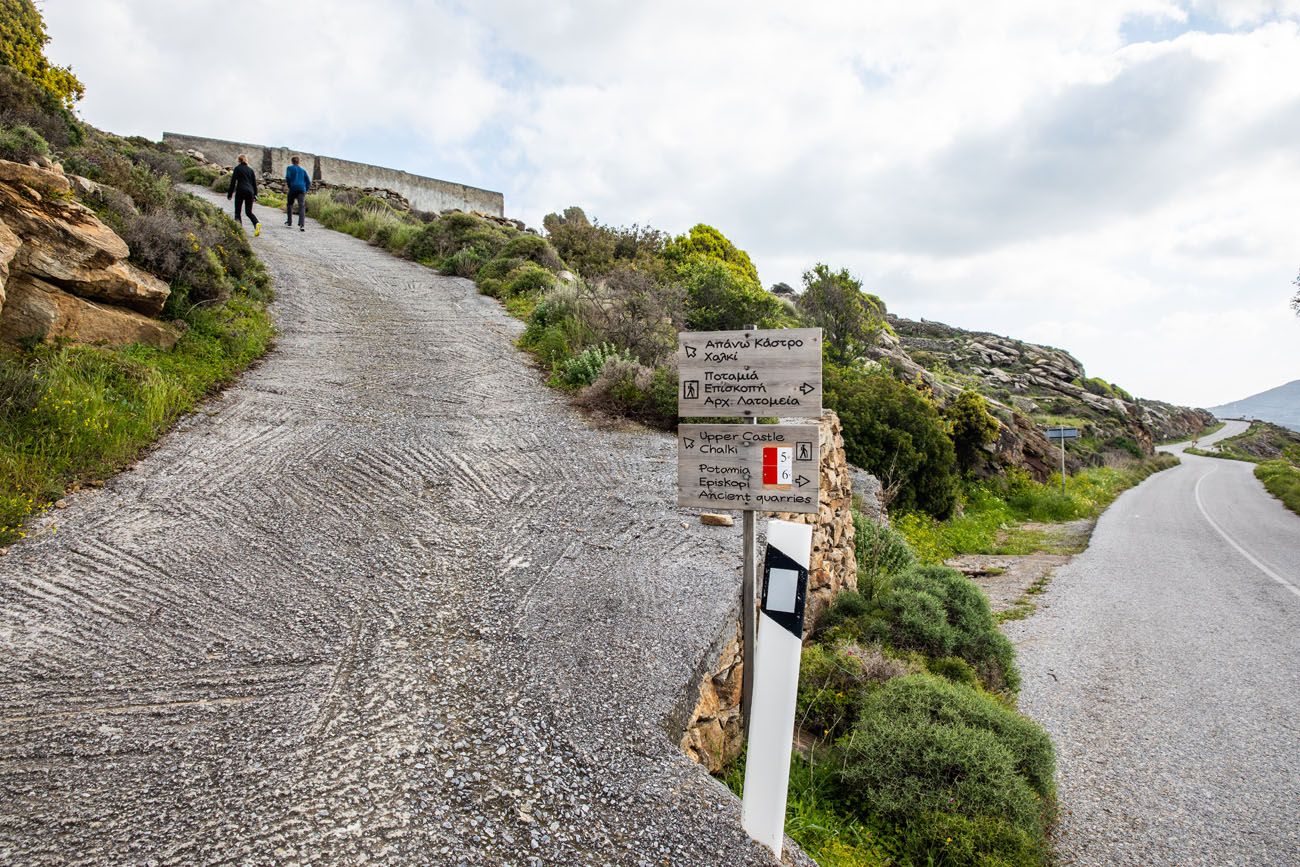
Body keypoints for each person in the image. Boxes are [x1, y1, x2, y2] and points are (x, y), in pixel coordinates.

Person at [227, 154, 260, 236]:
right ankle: (256, 223)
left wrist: (230, 194)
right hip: (250, 192)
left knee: (237, 212)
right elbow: (254, 184)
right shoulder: (250, 170)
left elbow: (233, 182)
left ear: (238, 160)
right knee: (249, 212)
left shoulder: (237, 169)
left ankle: (239, 231)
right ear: (246, 160)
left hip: (241, 191)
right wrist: (256, 195)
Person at [284, 155, 310, 231]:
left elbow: (288, 178)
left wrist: (290, 186)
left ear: (292, 161)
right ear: (299, 162)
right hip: (302, 189)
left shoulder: (289, 168)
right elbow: (308, 182)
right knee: (301, 206)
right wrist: (305, 189)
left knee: (290, 204)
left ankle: (289, 222)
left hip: (293, 188)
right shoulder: (303, 170)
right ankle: (302, 225)